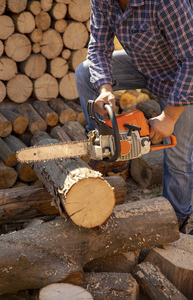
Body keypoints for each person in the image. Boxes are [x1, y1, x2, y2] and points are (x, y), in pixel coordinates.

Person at [75, 0, 193, 232]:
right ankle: (110, 145)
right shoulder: (103, 1)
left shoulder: (167, 2)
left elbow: (191, 60)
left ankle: (176, 221)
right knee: (85, 72)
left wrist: (169, 116)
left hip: (180, 76)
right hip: (144, 64)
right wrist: (105, 88)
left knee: (178, 157)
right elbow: (98, 47)